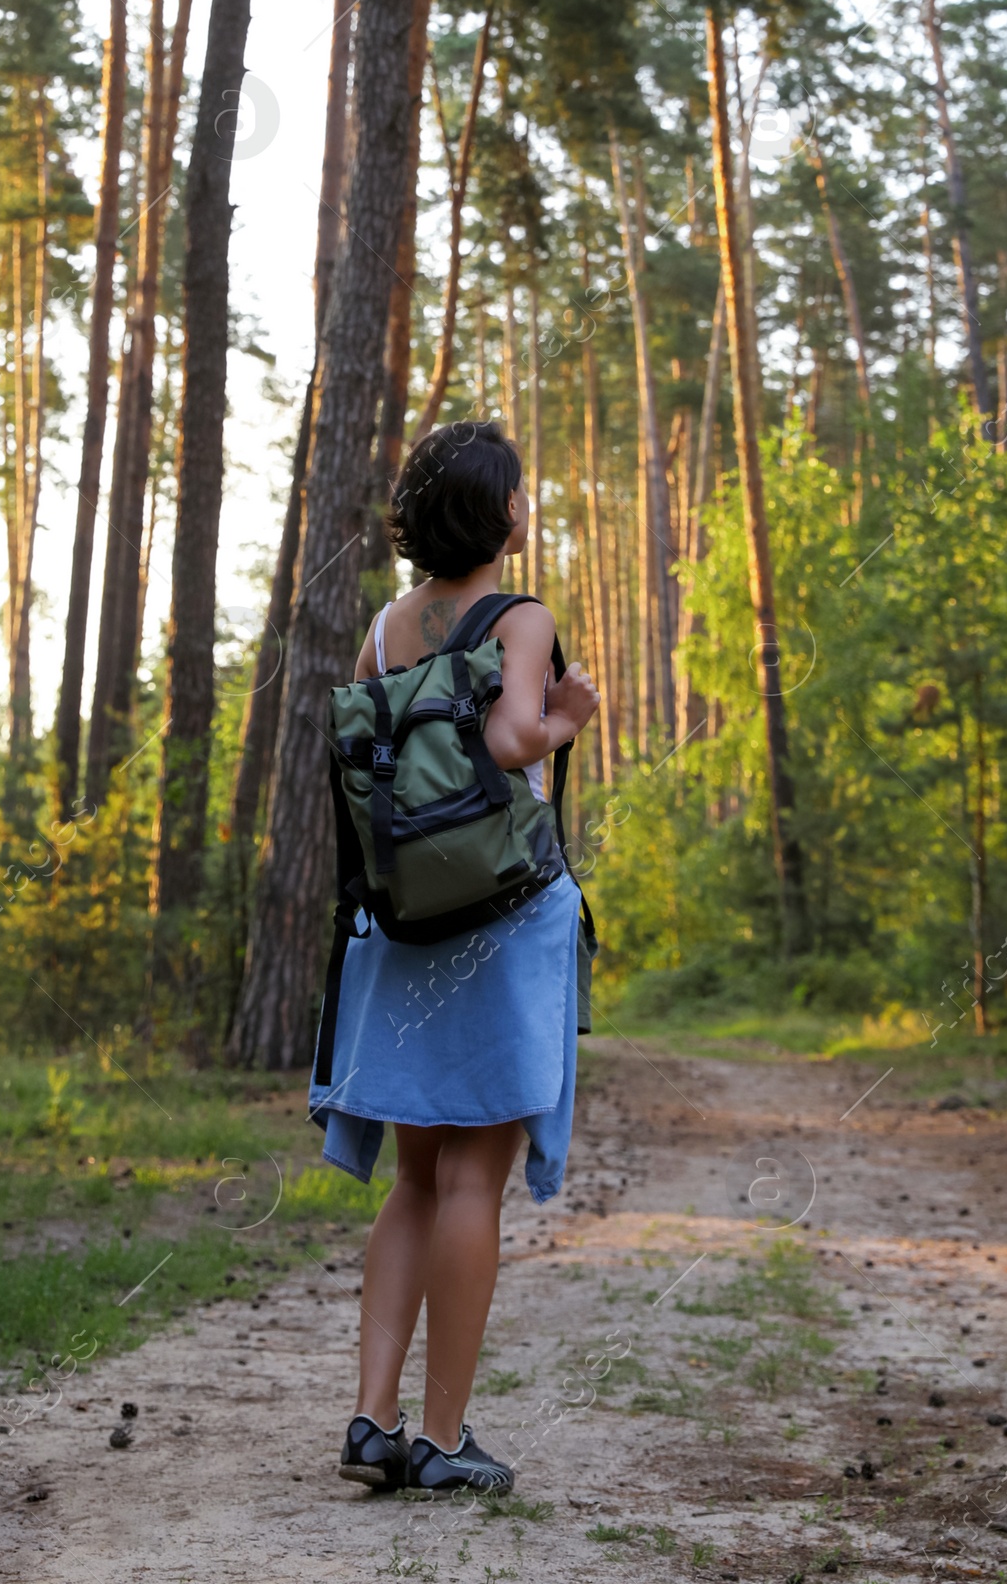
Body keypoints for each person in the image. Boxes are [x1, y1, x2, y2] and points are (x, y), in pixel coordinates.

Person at [308, 420, 600, 1498]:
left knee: (416, 1175)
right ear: (498, 513)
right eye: (517, 493)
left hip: (403, 925)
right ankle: (440, 1437)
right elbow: (513, 741)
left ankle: (370, 1420)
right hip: (500, 919)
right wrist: (568, 715)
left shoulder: (384, 630)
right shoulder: (520, 619)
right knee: (477, 1173)